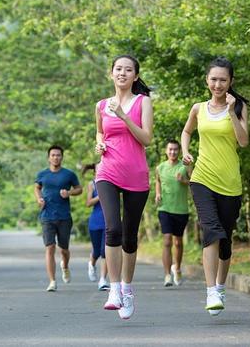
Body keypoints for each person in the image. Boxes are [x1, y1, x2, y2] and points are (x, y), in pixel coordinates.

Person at [181, 57, 249, 316]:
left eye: (223, 79)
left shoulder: (240, 107)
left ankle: (220, 286)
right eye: (214, 79)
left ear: (230, 81)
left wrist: (231, 112)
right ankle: (211, 291)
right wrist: (186, 152)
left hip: (230, 182)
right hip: (202, 178)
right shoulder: (198, 108)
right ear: (206, 81)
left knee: (226, 240)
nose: (218, 84)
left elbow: (243, 142)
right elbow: (187, 131)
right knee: (212, 231)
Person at [94, 55, 153, 320]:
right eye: (118, 69)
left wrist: (124, 117)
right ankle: (114, 289)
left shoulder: (143, 103)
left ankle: (127, 288)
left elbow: (147, 138)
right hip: (107, 171)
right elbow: (99, 132)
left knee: (129, 236)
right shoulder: (101, 105)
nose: (122, 73)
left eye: (128, 70)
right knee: (112, 229)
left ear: (135, 77)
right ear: (111, 73)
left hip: (136, 175)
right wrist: (99, 144)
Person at [34, 145, 83, 292]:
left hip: (64, 216)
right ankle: (52, 281)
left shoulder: (69, 174)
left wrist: (69, 193)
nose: (56, 157)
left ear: (62, 157)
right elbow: (36, 187)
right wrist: (39, 199)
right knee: (50, 248)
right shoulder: (42, 174)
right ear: (48, 157)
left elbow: (79, 189)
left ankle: (65, 266)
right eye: (53, 155)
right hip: (47, 216)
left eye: (58, 155)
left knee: (64, 250)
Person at [155, 140, 192, 287]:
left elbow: (194, 181)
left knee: (178, 242)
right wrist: (157, 193)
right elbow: (157, 181)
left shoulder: (185, 165)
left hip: (181, 209)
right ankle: (167, 275)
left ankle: (177, 268)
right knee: (167, 241)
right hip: (164, 208)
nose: (173, 152)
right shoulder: (160, 167)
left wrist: (184, 181)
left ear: (179, 151)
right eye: (170, 149)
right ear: (166, 150)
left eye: (176, 150)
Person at [82, 164, 109, 291]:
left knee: (106, 252)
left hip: (108, 221)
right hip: (95, 222)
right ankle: (91, 264)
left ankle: (103, 280)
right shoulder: (92, 184)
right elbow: (88, 203)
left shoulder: (111, 182)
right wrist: (100, 195)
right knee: (97, 251)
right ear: (95, 171)